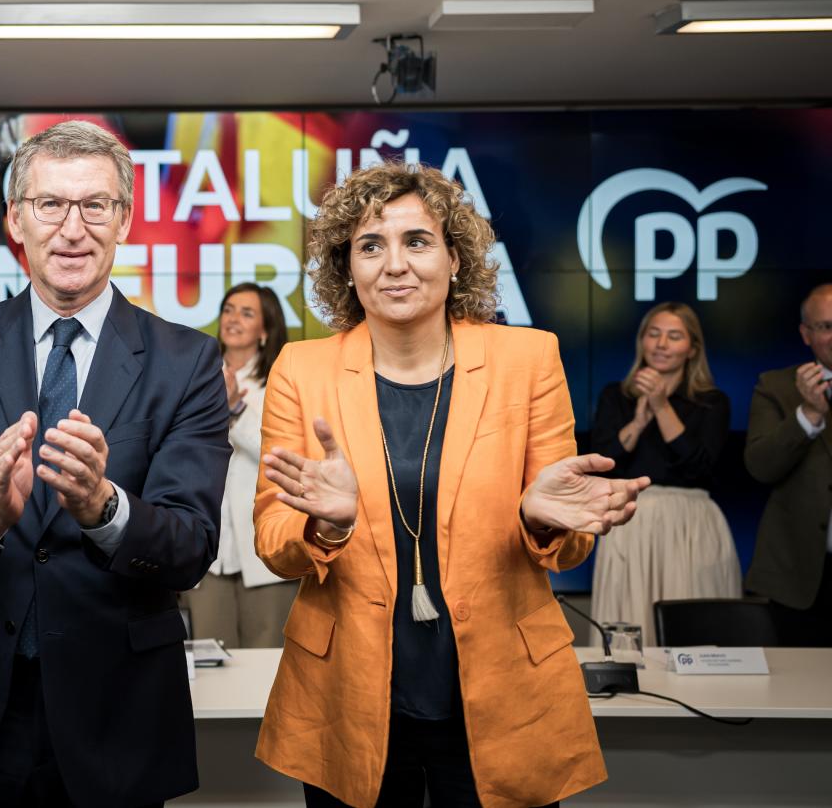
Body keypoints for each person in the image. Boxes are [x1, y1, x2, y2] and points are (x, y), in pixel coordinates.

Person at [253, 162, 649, 808]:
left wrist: (543, 519)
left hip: (503, 690)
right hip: (349, 693)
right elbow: (274, 537)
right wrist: (326, 523)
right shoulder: (303, 368)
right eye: (370, 245)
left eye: (417, 240)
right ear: (346, 267)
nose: (394, 263)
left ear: (456, 257)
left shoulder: (528, 359)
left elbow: (569, 545)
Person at [0, 120, 232, 807]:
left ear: (124, 219)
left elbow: (190, 547)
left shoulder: (187, 360)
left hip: (119, 717)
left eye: (95, 205)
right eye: (51, 204)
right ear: (17, 218)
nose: (73, 228)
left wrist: (105, 508)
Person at [589, 302, 739, 637]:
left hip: (691, 525)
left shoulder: (712, 401)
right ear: (642, 341)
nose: (661, 344)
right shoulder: (616, 396)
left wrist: (661, 405)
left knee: (693, 629)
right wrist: (640, 421)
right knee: (630, 620)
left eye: (674, 336)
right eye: (653, 334)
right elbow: (603, 461)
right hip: (630, 518)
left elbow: (699, 466)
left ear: (692, 349)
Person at [184, 282, 296, 647]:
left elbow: (284, 453)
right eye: (229, 309)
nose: (233, 319)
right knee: (211, 673)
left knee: (265, 673)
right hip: (209, 555)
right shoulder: (194, 377)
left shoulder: (284, 381)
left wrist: (234, 409)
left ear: (265, 331)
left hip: (262, 557)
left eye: (247, 313)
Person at [744, 283, 832, 646]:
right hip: (799, 576)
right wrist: (809, 413)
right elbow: (760, 466)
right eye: (826, 326)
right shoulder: (776, 386)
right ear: (806, 334)